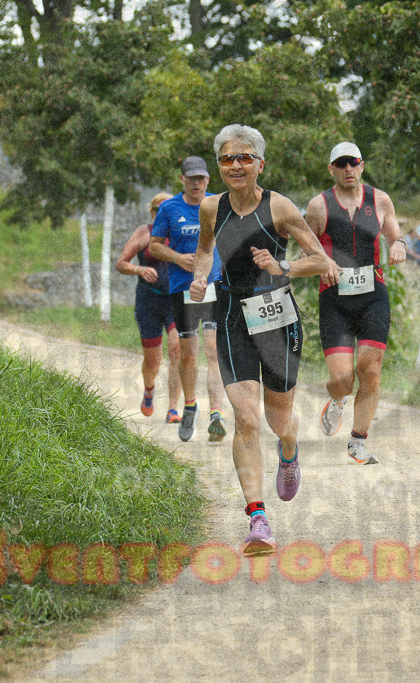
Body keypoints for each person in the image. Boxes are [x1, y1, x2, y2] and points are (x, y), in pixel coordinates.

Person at [190, 124, 329, 556]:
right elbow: (204, 250)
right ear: (219, 166)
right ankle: (258, 519)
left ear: (260, 164)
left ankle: (289, 446)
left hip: (276, 318)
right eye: (227, 159)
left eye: (244, 158)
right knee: (247, 418)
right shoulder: (211, 207)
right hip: (231, 315)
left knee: (277, 421)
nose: (236, 165)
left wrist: (283, 267)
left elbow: (321, 261)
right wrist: (199, 276)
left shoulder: (279, 208)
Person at [306, 141, 405, 466]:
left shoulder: (380, 200)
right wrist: (323, 262)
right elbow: (308, 245)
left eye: (354, 163)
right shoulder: (318, 206)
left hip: (373, 295)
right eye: (341, 164)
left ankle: (358, 441)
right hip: (334, 298)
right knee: (342, 380)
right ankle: (337, 400)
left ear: (361, 166)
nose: (348, 169)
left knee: (371, 370)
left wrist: (399, 246)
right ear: (331, 169)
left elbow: (395, 235)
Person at [150, 157, 227, 442]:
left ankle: (217, 414)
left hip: (214, 284)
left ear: (208, 179)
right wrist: (177, 258)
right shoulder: (169, 208)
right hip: (182, 287)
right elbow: (154, 246)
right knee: (189, 353)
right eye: (192, 178)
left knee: (213, 349)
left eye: (201, 178)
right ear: (182, 180)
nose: (197, 183)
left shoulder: (218, 204)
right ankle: (191, 405)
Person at [116, 192, 183, 423]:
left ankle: (173, 409)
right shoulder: (144, 233)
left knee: (177, 351)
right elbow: (121, 263)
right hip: (148, 302)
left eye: (166, 209)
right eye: (157, 209)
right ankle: (149, 389)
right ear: (152, 212)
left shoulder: (180, 233)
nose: (161, 213)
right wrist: (139, 270)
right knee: (153, 361)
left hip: (175, 301)